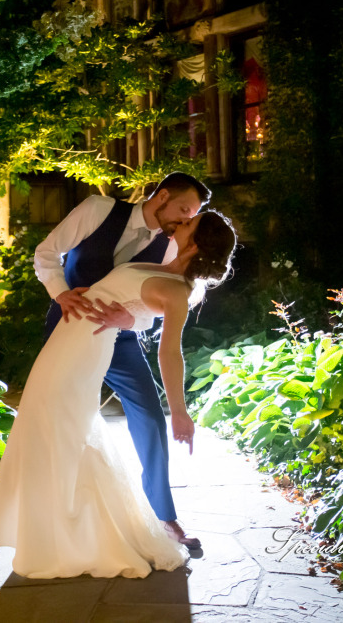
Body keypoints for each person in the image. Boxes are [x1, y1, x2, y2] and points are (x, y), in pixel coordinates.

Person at [0, 210, 237, 579]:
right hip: (69, 340)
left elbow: (169, 352)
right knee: (53, 432)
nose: (182, 222)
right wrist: (111, 307)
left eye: (190, 224)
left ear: (194, 243)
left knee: (44, 430)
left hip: (81, 350)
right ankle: (64, 526)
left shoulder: (178, 289)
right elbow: (132, 301)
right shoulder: (165, 267)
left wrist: (179, 411)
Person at [32, 172, 212, 549]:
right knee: (59, 417)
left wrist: (135, 320)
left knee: (149, 416)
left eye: (192, 215)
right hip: (68, 329)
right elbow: (47, 252)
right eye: (183, 209)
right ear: (161, 196)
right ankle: (54, 513)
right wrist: (60, 293)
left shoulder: (171, 244)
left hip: (123, 339)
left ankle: (165, 518)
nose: (184, 220)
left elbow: (184, 295)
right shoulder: (98, 209)